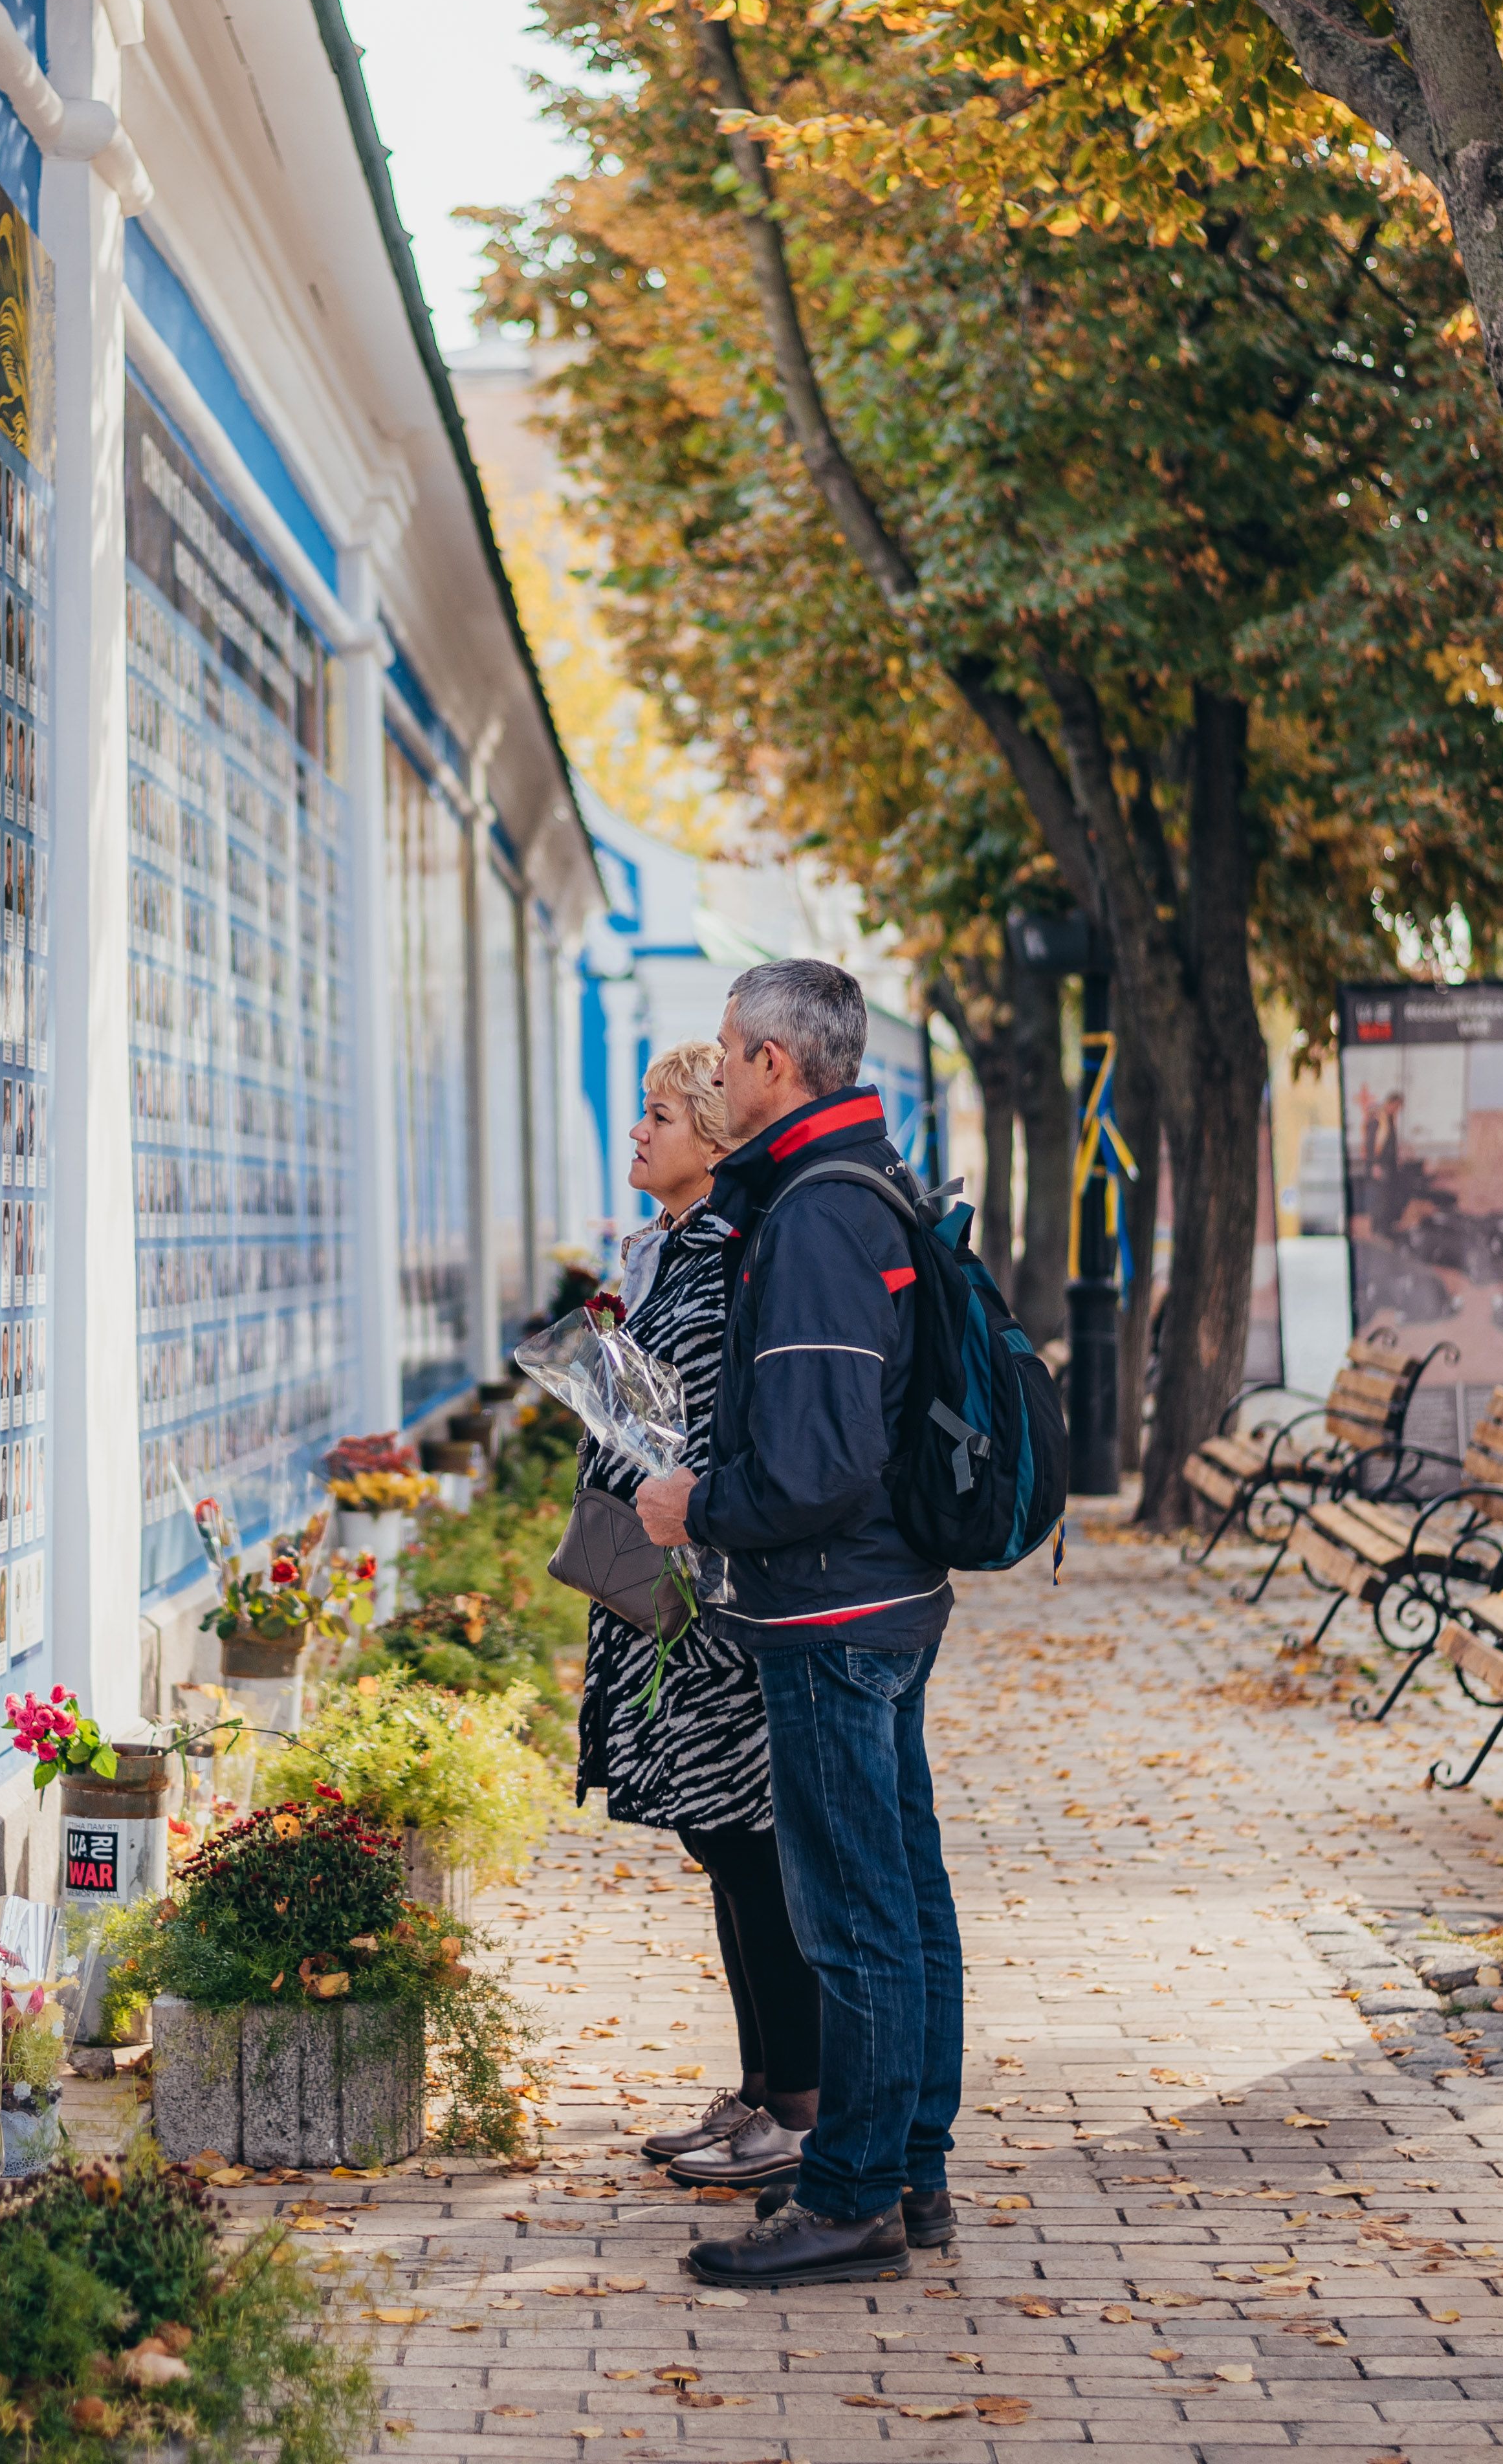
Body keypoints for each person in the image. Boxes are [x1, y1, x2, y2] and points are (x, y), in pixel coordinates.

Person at [634, 959, 961, 2287]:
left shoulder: (818, 1213)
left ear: (776, 1062)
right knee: (904, 1903)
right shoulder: (851, 1186)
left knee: (856, 1918)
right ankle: (910, 2175)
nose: (712, 1069)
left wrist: (693, 1503)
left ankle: (849, 2198)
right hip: (881, 1597)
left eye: (726, 1049)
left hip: (832, 1606)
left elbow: (815, 1461)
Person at [575, 1043, 815, 2188]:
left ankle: (799, 2108)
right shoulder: (670, 1251)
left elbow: (710, 1417)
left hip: (715, 1597)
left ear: (713, 1140)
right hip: (676, 1586)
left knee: (744, 1840)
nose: (638, 1133)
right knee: (718, 1841)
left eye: (659, 1116)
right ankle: (761, 2091)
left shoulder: (722, 1259)